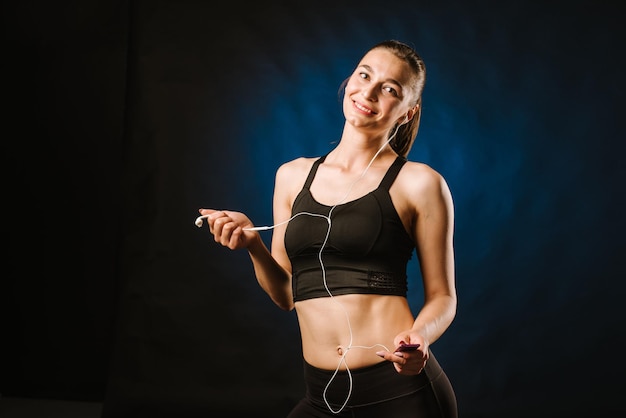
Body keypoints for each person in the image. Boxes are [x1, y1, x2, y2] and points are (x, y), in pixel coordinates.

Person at [197, 39, 457, 417]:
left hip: (400, 394)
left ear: (406, 112)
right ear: (350, 79)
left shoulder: (419, 183)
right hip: (323, 396)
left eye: (389, 89)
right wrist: (254, 245)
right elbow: (288, 294)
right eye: (364, 75)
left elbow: (443, 298)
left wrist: (421, 337)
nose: (368, 92)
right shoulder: (291, 176)